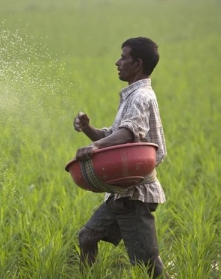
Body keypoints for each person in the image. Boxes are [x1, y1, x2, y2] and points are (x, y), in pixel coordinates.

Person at [73, 37, 170, 278]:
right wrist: (89, 129)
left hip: (135, 195)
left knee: (149, 266)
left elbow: (127, 134)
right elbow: (117, 135)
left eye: (123, 57)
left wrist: (95, 146)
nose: (117, 62)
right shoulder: (132, 95)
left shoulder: (141, 97)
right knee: (87, 237)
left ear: (137, 64)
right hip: (122, 193)